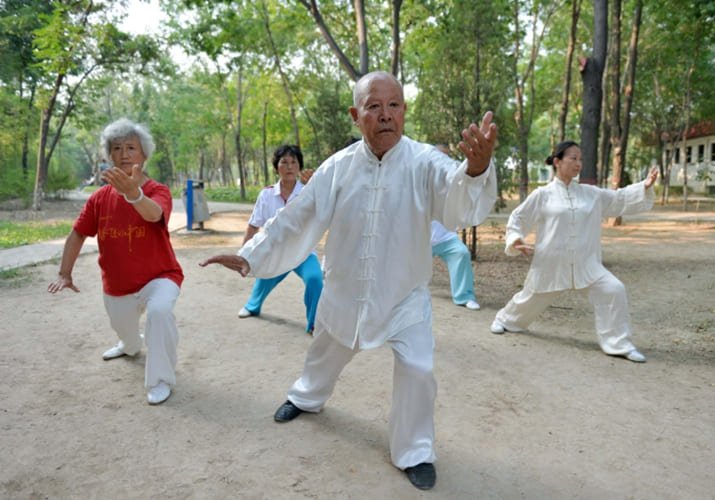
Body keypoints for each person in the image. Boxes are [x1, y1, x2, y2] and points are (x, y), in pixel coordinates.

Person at [200, 71, 498, 490]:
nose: (385, 115)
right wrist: (251, 255)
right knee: (325, 352)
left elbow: (458, 200)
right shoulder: (337, 167)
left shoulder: (425, 161)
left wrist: (476, 168)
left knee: (418, 367)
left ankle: (414, 450)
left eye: (394, 105)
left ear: (404, 111)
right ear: (356, 115)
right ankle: (306, 397)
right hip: (345, 290)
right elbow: (297, 217)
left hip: (403, 297)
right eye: (373, 107)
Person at [48, 118, 183, 405]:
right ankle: (129, 345)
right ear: (110, 155)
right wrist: (64, 274)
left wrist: (133, 195)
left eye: (131, 148)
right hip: (118, 284)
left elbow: (154, 214)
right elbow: (77, 234)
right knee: (128, 336)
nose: (124, 154)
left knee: (159, 313)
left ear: (144, 154)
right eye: (117, 148)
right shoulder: (99, 198)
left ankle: (160, 379)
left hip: (160, 276)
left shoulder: (158, 190)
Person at [490, 140, 658, 363]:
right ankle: (505, 320)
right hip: (551, 262)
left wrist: (644, 186)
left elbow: (618, 199)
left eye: (580, 159)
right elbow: (519, 217)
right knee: (529, 298)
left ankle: (619, 344)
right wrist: (516, 239)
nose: (578, 163)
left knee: (613, 290)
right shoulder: (543, 194)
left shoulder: (591, 194)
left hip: (586, 264)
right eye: (573, 158)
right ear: (557, 162)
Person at [237, 144, 323, 334]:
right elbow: (254, 224)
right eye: (284, 162)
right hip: (275, 250)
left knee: (316, 279)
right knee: (264, 277)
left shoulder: (309, 192)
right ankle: (252, 306)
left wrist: (317, 185)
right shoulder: (267, 195)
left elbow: (327, 209)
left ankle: (313, 323)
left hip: (302, 252)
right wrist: (243, 255)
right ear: (277, 167)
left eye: (294, 162)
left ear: (300, 166)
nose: (290, 166)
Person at [430, 144, 481, 311]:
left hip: (446, 237)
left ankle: (464, 296)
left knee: (461, 253)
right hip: (419, 238)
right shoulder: (419, 177)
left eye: (446, 157)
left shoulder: (454, 180)